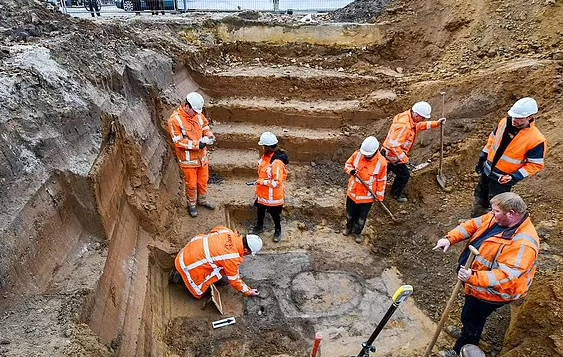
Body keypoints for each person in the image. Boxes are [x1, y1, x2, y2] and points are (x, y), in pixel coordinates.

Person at [433, 192, 540, 357]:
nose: (492, 213)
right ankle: (466, 331)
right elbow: (472, 225)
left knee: (473, 319)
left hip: (491, 293)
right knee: (470, 316)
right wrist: (449, 239)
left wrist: (472, 278)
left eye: (496, 211)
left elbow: (505, 276)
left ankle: (463, 346)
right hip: (474, 280)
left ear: (511, 213)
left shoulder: (523, 244)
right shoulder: (497, 217)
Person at [471, 97, 546, 217]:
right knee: (480, 195)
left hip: (503, 178)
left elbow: (536, 164)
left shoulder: (536, 139)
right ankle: (475, 219)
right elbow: (492, 139)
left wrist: (515, 177)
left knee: (497, 204)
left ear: (530, 117)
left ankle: (490, 227)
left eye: (519, 118)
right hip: (488, 170)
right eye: (514, 116)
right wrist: (483, 156)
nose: (515, 120)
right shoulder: (504, 122)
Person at [169, 226, 263, 299]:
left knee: (220, 266)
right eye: (249, 253)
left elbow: (214, 231)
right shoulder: (232, 258)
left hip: (186, 251)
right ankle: (177, 277)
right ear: (246, 250)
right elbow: (234, 280)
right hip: (186, 264)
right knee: (199, 292)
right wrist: (248, 291)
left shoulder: (227, 231)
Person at [381, 101, 446, 203]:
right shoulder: (404, 126)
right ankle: (395, 194)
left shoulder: (409, 118)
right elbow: (392, 145)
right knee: (404, 175)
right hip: (392, 154)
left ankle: (377, 189)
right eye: (422, 117)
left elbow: (419, 125)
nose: (423, 120)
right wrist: (404, 158)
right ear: (416, 114)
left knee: (383, 172)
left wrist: (436, 124)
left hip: (389, 153)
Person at [167, 92, 216, 218]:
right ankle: (192, 205)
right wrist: (197, 144)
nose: (195, 114)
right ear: (187, 106)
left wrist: (209, 136)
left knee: (203, 181)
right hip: (188, 161)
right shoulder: (175, 120)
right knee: (192, 184)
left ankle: (202, 200)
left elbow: (205, 127)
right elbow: (178, 141)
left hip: (202, 159)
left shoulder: (198, 116)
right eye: (193, 111)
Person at [343, 136, 387, 243]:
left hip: (367, 197)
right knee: (350, 213)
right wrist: (351, 171)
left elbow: (382, 180)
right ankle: (348, 227)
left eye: (368, 155)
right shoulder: (357, 154)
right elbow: (347, 164)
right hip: (352, 192)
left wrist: (379, 196)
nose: (366, 156)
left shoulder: (382, 163)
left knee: (361, 218)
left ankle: (357, 232)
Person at [250, 132, 289, 243]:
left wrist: (261, 182)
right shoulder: (266, 158)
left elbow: (276, 182)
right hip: (263, 194)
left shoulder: (276, 162)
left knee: (275, 214)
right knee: (260, 210)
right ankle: (259, 226)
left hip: (273, 197)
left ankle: (278, 230)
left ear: (266, 147)